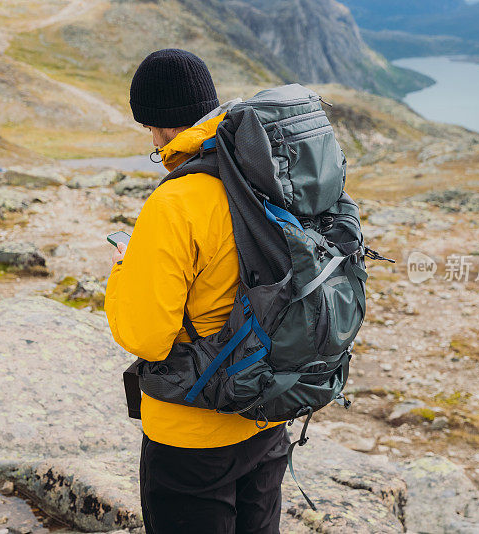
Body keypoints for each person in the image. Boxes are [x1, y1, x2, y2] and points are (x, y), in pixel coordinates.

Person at [105, 49, 289, 534]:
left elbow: (147, 337)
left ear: (158, 125)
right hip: (267, 412)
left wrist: (124, 270)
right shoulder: (264, 169)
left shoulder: (176, 202)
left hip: (193, 436)